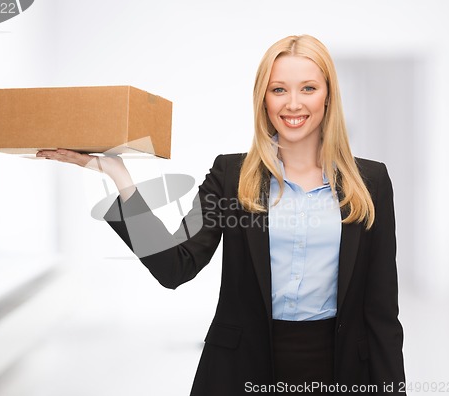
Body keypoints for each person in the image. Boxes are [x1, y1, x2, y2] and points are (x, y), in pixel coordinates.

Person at [37, 34, 406, 395]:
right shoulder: (231, 177)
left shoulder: (370, 181)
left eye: (308, 88)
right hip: (243, 368)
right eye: (279, 90)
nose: (293, 103)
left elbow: (382, 312)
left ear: (329, 97)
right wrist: (119, 177)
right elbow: (175, 266)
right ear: (263, 99)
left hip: (341, 371)